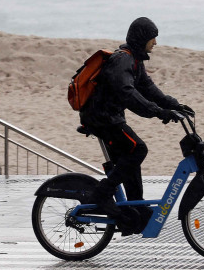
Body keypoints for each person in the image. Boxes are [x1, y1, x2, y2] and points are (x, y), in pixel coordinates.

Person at [79, 17, 193, 235]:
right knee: (138, 149)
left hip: (111, 118)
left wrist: (174, 105)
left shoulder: (135, 61)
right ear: (142, 38)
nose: (156, 43)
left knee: (131, 160)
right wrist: (159, 112)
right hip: (103, 119)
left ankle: (134, 208)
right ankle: (103, 193)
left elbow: (149, 89)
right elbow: (128, 94)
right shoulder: (123, 61)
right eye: (153, 38)